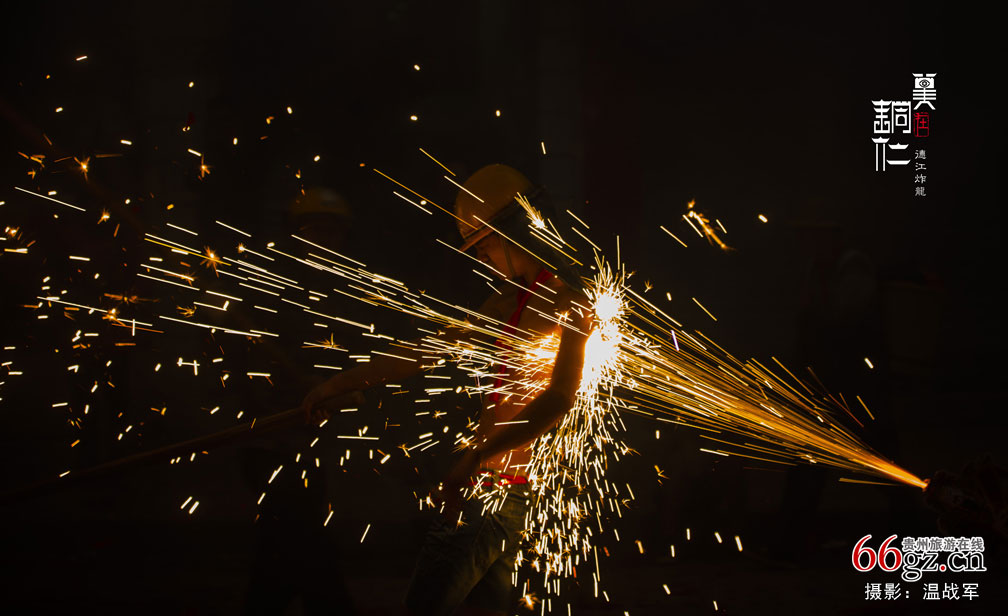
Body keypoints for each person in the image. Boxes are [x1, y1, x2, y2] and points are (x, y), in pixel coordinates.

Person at [301, 164, 591, 615]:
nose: (482, 259)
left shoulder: (571, 301)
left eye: (484, 245)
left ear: (512, 232)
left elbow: (559, 398)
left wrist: (478, 456)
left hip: (495, 488)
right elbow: (427, 351)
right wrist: (341, 382)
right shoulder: (510, 300)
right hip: (495, 486)